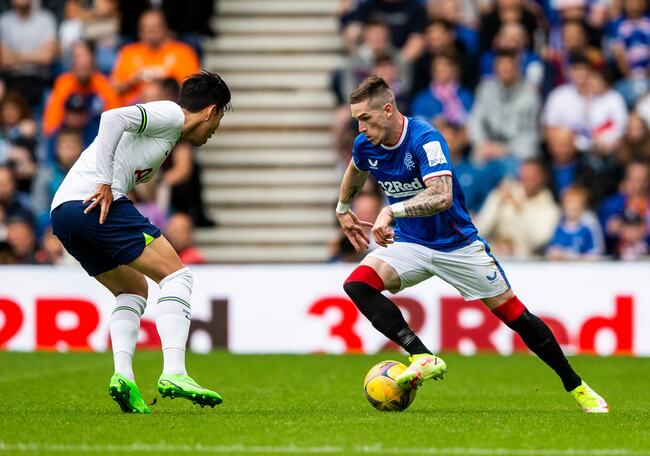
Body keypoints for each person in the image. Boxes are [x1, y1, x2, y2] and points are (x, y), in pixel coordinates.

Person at [335, 75, 608, 413]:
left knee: (516, 316)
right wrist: (343, 207)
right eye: (356, 118)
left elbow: (442, 196)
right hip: (411, 243)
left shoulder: (425, 139)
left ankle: (576, 386)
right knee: (357, 284)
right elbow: (356, 168)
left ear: (388, 109)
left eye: (365, 117)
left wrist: (392, 210)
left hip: (458, 245)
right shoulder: (366, 143)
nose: (359, 127)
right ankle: (420, 355)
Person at [49, 71, 231, 414]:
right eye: (218, 119)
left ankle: (123, 377)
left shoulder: (167, 136)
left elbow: (125, 156)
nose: (214, 130)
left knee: (132, 290)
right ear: (210, 111)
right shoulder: (171, 114)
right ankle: (175, 372)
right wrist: (105, 181)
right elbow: (111, 117)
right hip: (92, 201)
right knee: (177, 276)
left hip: (64, 212)